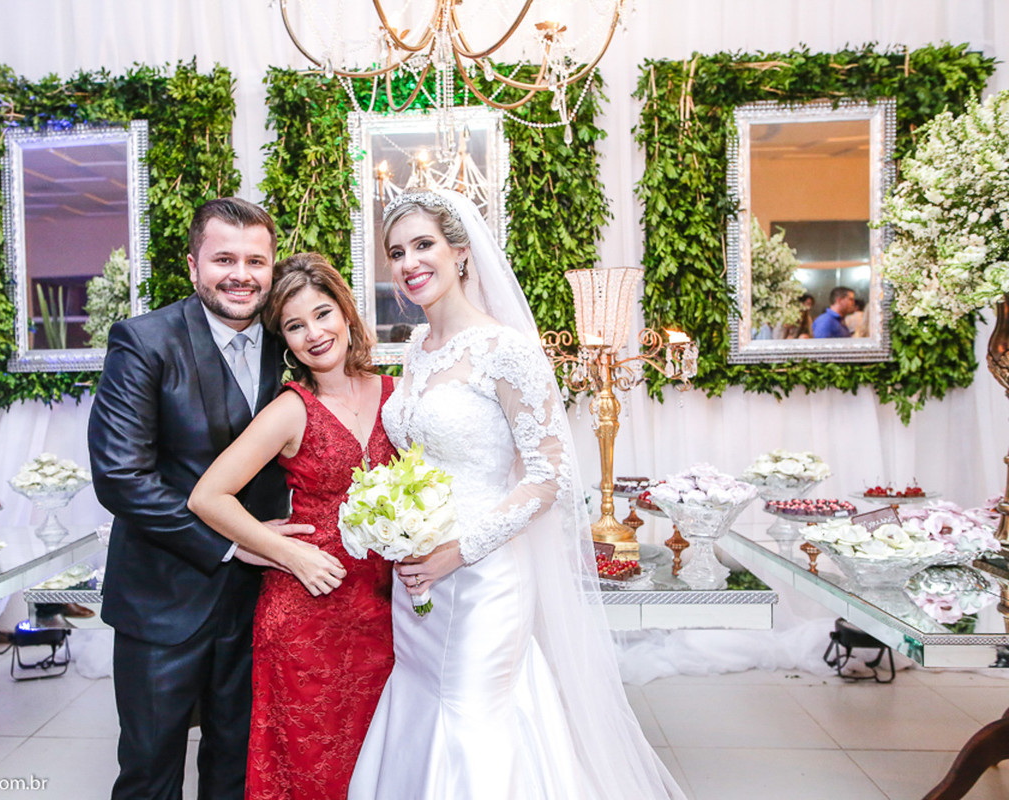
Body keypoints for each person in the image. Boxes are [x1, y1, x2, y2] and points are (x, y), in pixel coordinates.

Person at [348, 190, 685, 799]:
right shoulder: (416, 348)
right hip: (418, 574)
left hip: (484, 575)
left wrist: (458, 551)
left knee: (473, 715)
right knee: (423, 702)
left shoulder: (507, 350)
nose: (408, 263)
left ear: (460, 252)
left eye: (423, 245)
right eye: (396, 252)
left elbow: (551, 476)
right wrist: (395, 524)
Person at [88, 197, 313, 800]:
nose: (242, 274)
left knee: (239, 768)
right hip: (163, 601)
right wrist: (234, 544)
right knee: (151, 771)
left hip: (260, 602)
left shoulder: (290, 340)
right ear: (193, 266)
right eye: (224, 259)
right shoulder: (144, 342)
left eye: (256, 261)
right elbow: (120, 476)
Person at [187, 252, 397, 800]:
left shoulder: (396, 395)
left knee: (381, 758)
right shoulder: (292, 408)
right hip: (307, 613)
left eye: (322, 314)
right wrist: (285, 552)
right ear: (285, 340)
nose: (315, 334)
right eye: (295, 326)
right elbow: (208, 496)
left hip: (384, 608)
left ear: (346, 313)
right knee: (312, 767)